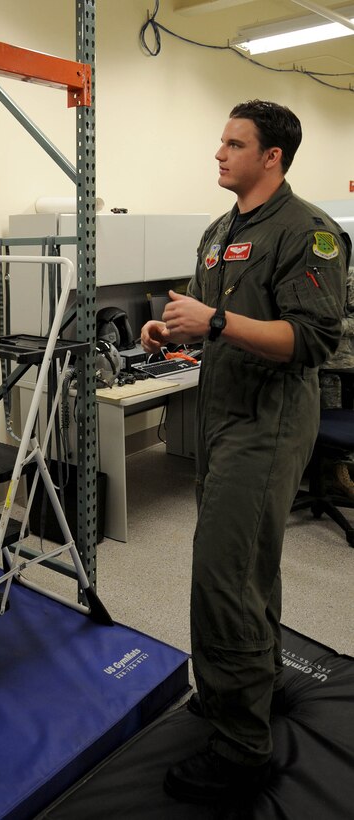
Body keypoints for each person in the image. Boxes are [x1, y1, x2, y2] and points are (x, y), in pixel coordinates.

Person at [141, 100, 350, 804]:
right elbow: (207, 323)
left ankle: (240, 747)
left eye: (233, 144)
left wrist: (217, 320)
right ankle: (251, 684)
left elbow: (311, 341)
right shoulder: (216, 234)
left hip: (269, 423)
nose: (218, 153)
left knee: (222, 573)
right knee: (248, 563)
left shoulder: (308, 233)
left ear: (271, 157)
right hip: (223, 416)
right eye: (219, 141)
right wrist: (172, 333)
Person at [319, 266, 354, 498]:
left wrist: (331, 327)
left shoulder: (348, 277)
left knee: (334, 420)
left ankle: (337, 474)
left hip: (337, 366)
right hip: (300, 362)